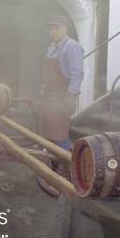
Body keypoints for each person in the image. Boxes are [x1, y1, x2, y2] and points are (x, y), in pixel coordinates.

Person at [39, 15, 84, 151]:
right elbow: (47, 76)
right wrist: (42, 93)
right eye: (50, 29)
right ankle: (54, 164)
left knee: (59, 133)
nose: (52, 32)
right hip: (49, 96)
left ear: (65, 29)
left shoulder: (72, 46)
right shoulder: (52, 47)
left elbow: (77, 74)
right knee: (47, 132)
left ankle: (69, 161)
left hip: (61, 96)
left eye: (56, 28)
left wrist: (70, 96)